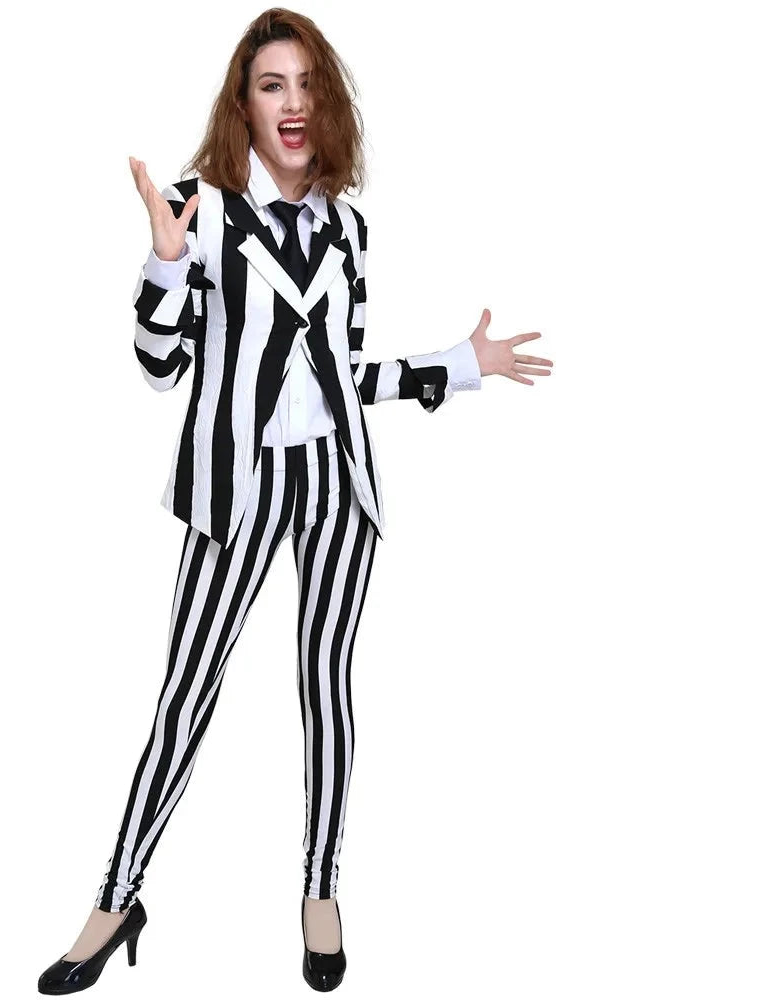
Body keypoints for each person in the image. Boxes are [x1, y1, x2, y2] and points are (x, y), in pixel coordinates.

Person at [38, 8, 552, 995]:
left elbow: (340, 374)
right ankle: (115, 896)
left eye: (309, 83)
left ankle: (321, 890)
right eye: (273, 84)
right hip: (237, 486)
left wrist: (460, 363)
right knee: (186, 693)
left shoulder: (347, 228)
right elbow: (157, 365)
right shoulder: (198, 210)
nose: (294, 103)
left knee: (325, 684)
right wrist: (165, 262)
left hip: (335, 481)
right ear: (243, 102)